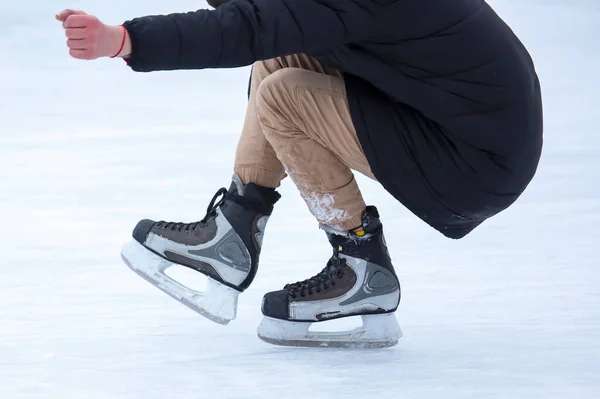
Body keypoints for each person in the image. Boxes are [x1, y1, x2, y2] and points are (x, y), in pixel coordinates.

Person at [56, 0, 543, 348]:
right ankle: (233, 232)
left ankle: (362, 269)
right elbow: (271, 21)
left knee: (285, 94)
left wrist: (125, 40)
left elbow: (249, 26)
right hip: (456, 123)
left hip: (474, 160)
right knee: (281, 58)